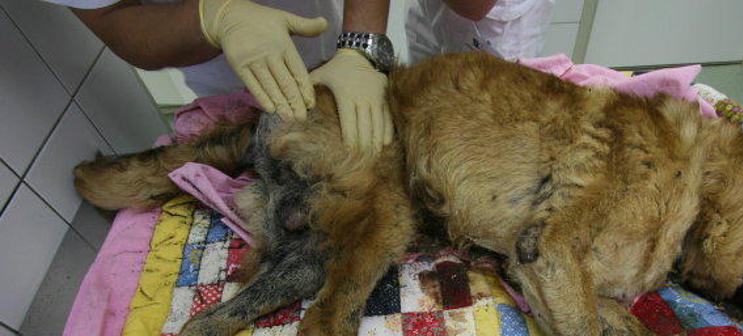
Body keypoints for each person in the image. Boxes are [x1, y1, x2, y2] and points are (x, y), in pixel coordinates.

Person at [50, 0, 552, 151]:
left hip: (318, 24)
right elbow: (116, 20)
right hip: (207, 51)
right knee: (261, 139)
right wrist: (213, 17)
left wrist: (360, 47)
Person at [405, 0, 553, 64]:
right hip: (431, 11)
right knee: (420, 100)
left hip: (494, 22)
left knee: (487, 110)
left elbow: (476, 7)